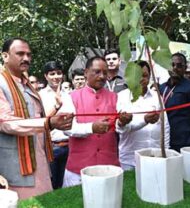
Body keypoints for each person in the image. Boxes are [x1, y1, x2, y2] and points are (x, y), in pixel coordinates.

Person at [0, 37, 73, 199]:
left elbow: (39, 119)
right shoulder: (1, 82)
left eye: (29, 54)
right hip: (17, 167)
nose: (26, 58)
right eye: (20, 53)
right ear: (5, 56)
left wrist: (54, 121)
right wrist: (48, 123)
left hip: (40, 159)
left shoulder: (27, 84)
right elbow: (6, 123)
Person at [59, 56, 132, 187]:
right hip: (78, 168)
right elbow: (67, 128)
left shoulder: (115, 97)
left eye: (105, 72)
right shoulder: (71, 97)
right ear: (86, 72)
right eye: (97, 72)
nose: (102, 76)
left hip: (109, 166)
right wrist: (91, 128)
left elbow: (122, 129)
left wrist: (123, 122)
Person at [118, 61, 170, 170]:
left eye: (145, 75)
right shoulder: (122, 97)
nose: (141, 79)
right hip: (129, 160)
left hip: (155, 156)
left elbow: (165, 126)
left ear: (150, 76)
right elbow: (122, 129)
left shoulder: (157, 97)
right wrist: (144, 120)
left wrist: (165, 151)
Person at [38, 61, 69, 189]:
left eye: (59, 73)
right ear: (46, 76)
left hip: (70, 145)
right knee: (53, 185)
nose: (56, 76)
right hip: (51, 147)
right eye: (52, 74)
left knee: (67, 186)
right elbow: (41, 121)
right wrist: (57, 107)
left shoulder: (69, 95)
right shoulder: (40, 96)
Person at [159, 53, 190, 152]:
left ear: (185, 68)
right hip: (164, 138)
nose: (175, 68)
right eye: (172, 65)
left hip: (183, 142)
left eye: (179, 66)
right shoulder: (161, 88)